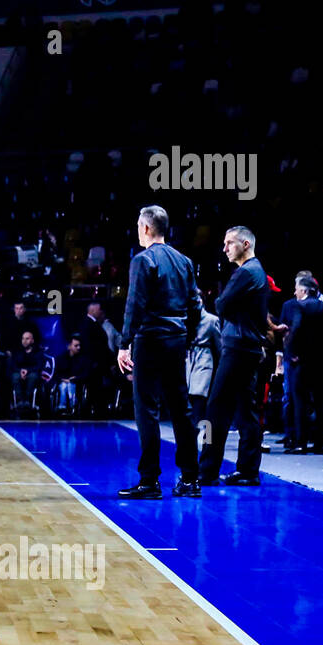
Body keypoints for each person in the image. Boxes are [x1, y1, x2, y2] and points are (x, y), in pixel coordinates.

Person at [115, 205, 203, 498]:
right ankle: (191, 480)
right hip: (176, 340)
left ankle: (150, 481)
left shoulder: (143, 261)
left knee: (147, 410)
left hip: (150, 339)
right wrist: (186, 339)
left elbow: (135, 304)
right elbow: (195, 307)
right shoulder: (185, 261)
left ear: (146, 228)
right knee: (181, 410)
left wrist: (124, 343)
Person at [194, 227, 270, 486]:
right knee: (245, 410)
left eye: (230, 243)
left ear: (245, 244)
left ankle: (207, 471)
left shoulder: (246, 272)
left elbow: (221, 304)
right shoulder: (257, 271)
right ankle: (248, 470)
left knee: (216, 409)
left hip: (237, 347)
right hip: (247, 347)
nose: (225, 248)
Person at [286, 275, 323, 453]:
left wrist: (291, 353)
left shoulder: (299, 307)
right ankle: (321, 442)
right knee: (322, 403)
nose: (295, 291)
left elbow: (296, 330)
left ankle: (301, 443)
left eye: (296, 288)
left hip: (303, 362)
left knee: (300, 402)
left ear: (303, 290)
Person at [187, 310, 221, 428]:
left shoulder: (211, 320)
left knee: (200, 395)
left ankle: (205, 432)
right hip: (189, 358)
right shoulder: (186, 317)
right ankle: (193, 431)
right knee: (189, 396)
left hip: (204, 358)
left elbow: (219, 344)